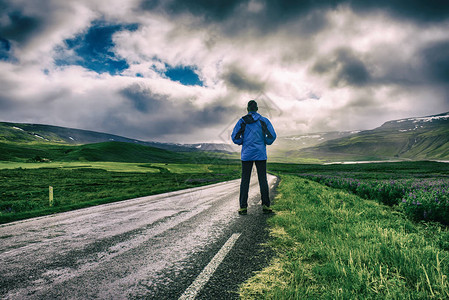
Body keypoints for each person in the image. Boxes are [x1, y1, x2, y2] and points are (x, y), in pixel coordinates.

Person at [231, 100, 276, 215]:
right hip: (260, 154)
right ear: (257, 109)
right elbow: (272, 136)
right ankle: (266, 206)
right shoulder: (263, 120)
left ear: (247, 109)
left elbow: (234, 137)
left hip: (246, 155)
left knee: (245, 180)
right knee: (263, 180)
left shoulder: (242, 121)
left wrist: (243, 142)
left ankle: (243, 207)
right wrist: (264, 142)